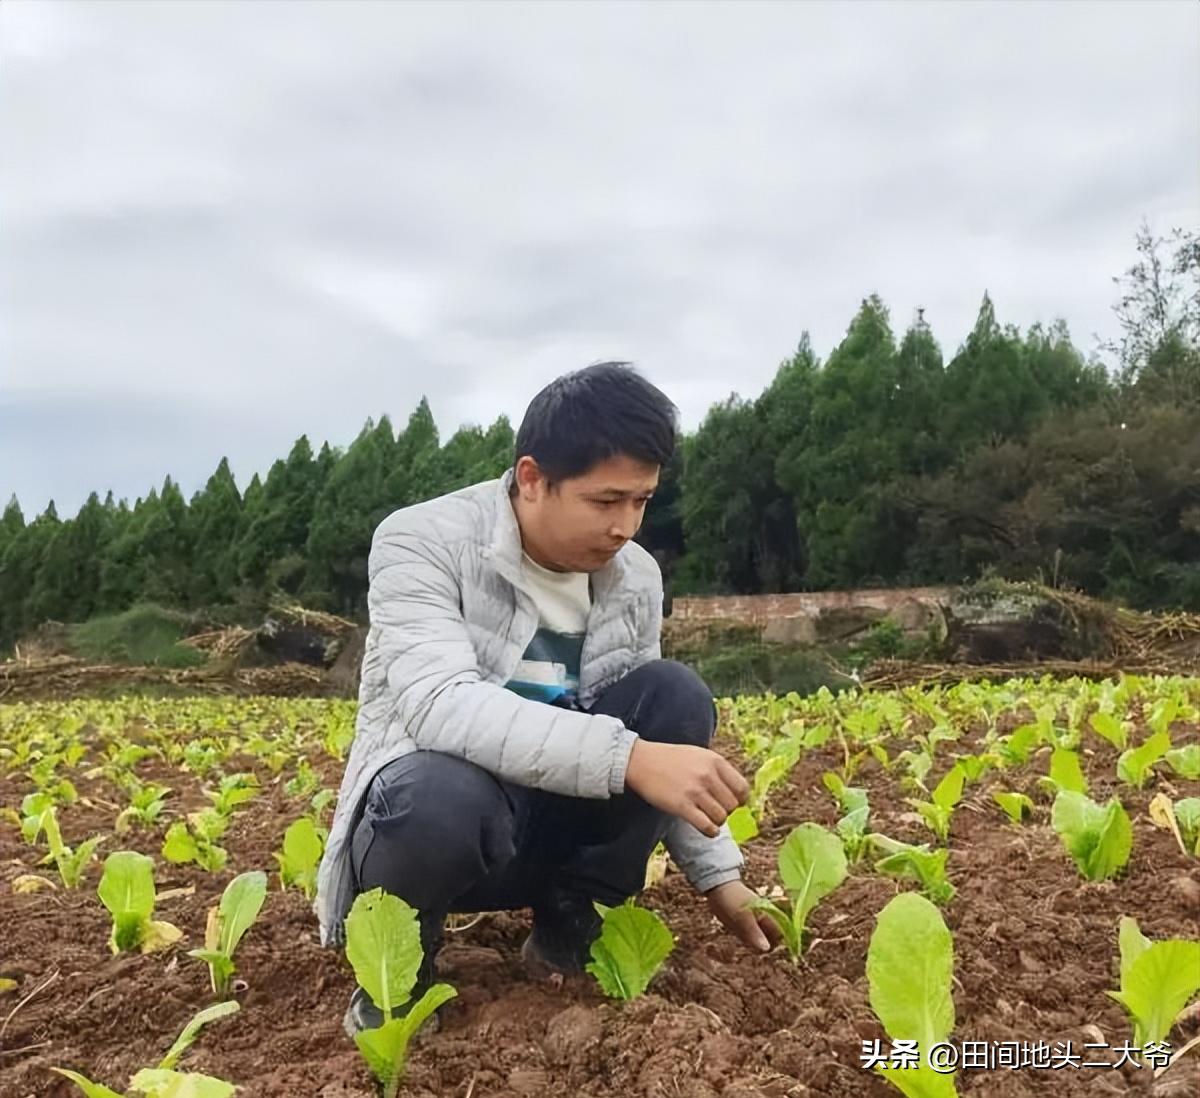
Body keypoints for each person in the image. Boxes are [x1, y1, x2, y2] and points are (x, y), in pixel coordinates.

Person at [315, 361, 780, 1036]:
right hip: (442, 833)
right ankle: (398, 976)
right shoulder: (422, 541)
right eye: (605, 501)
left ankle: (570, 928)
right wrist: (629, 758)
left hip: (552, 834)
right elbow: (439, 703)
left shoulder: (633, 575)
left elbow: (660, 751)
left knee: (675, 695)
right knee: (435, 791)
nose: (626, 525)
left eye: (641, 501)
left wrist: (720, 876)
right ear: (532, 478)